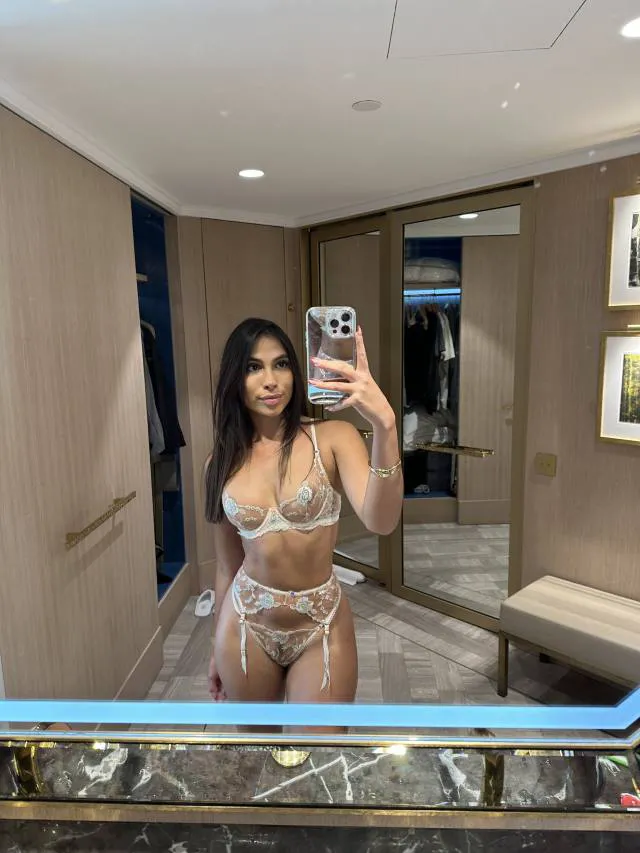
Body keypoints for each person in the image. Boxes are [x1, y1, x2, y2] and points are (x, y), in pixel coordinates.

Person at [205, 317, 402, 723]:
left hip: (321, 624)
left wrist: (385, 424)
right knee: (256, 749)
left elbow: (381, 521)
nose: (271, 381)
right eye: (253, 367)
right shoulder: (220, 462)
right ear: (234, 378)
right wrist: (213, 648)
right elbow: (227, 565)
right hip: (244, 624)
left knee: (319, 749)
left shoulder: (333, 438)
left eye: (281, 364)